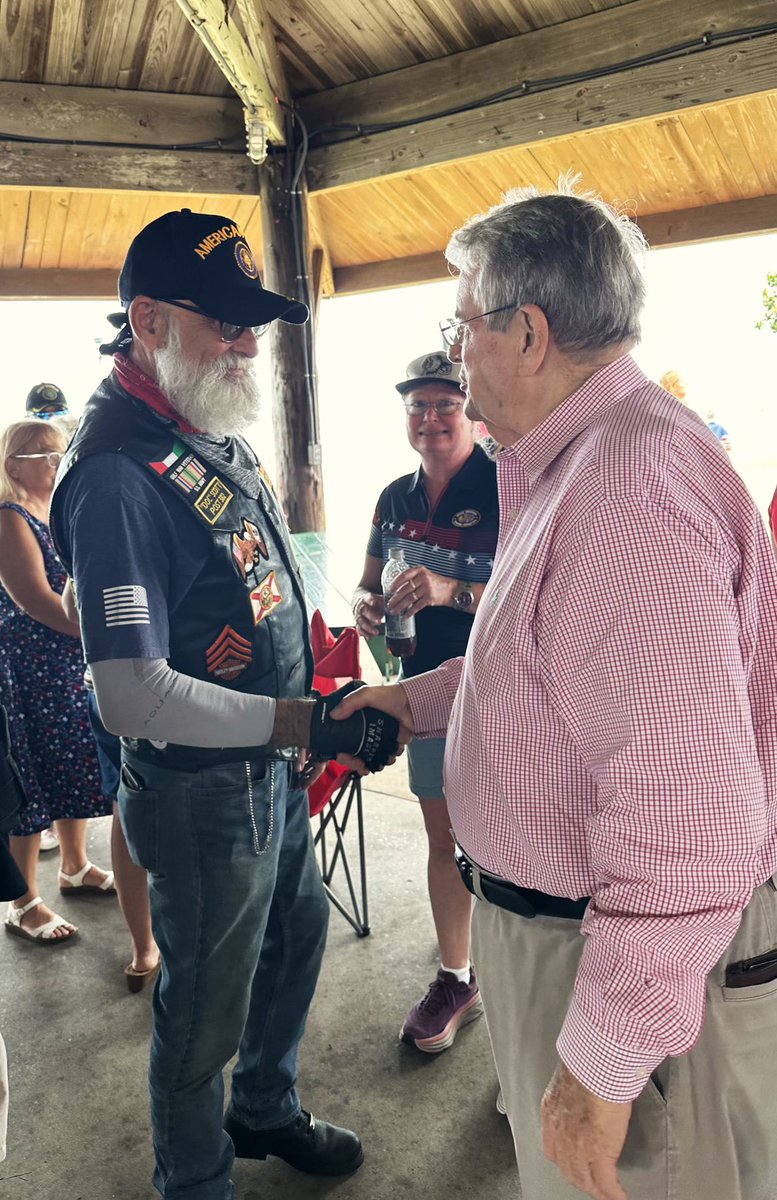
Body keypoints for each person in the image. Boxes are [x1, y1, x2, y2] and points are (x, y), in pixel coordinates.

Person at [334, 182, 777, 1200]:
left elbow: (685, 813)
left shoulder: (625, 489)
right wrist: (417, 699)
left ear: (526, 332)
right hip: (563, 930)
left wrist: (604, 1060)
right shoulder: (574, 460)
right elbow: (549, 669)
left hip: (600, 946)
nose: (456, 352)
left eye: (461, 326)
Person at [48, 207, 400, 1200]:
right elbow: (126, 692)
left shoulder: (204, 423)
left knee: (296, 939)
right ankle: (194, 1180)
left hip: (272, 767)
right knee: (203, 1009)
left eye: (255, 323)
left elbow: (261, 581)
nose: (249, 341)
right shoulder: (116, 474)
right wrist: (303, 721)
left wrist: (319, 697)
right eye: (227, 322)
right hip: (203, 796)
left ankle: (265, 1107)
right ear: (149, 321)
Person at [352, 350, 498, 1052]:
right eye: (418, 405)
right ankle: (456, 973)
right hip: (422, 694)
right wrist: (366, 606)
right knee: (443, 836)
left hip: (502, 690)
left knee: (506, 837)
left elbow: (539, 596)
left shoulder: (509, 484)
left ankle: (520, 977)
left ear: (471, 410)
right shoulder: (393, 497)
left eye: (445, 403)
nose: (430, 417)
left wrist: (451, 592)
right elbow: (366, 579)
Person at [0, 419, 115, 945]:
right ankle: (22, 901)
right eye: (44, 456)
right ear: (13, 464)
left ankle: (75, 867)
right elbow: (36, 599)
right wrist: (100, 632)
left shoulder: (54, 508)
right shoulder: (9, 515)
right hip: (30, 665)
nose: (55, 462)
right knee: (32, 778)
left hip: (67, 660)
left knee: (74, 761)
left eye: (58, 453)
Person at [62, 579, 160, 991]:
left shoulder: (88, 516)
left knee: (128, 805)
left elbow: (72, 604)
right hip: (155, 687)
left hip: (108, 683)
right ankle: (150, 945)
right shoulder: (134, 514)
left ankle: (144, 948)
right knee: (141, 805)